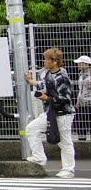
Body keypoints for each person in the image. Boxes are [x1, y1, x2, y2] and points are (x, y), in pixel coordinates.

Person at [23, 48, 76, 177]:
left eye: (47, 59)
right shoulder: (49, 74)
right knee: (31, 129)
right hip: (51, 112)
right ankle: (39, 157)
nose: (44, 61)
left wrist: (48, 98)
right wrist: (31, 82)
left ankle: (68, 169)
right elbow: (44, 85)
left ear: (55, 61)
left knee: (65, 141)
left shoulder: (62, 77)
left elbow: (66, 98)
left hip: (63, 114)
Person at [76, 55, 91, 140]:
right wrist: (78, 101)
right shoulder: (81, 75)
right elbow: (80, 89)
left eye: (80, 63)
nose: (78, 65)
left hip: (89, 102)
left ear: (86, 64)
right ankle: (81, 140)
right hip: (82, 102)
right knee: (81, 122)